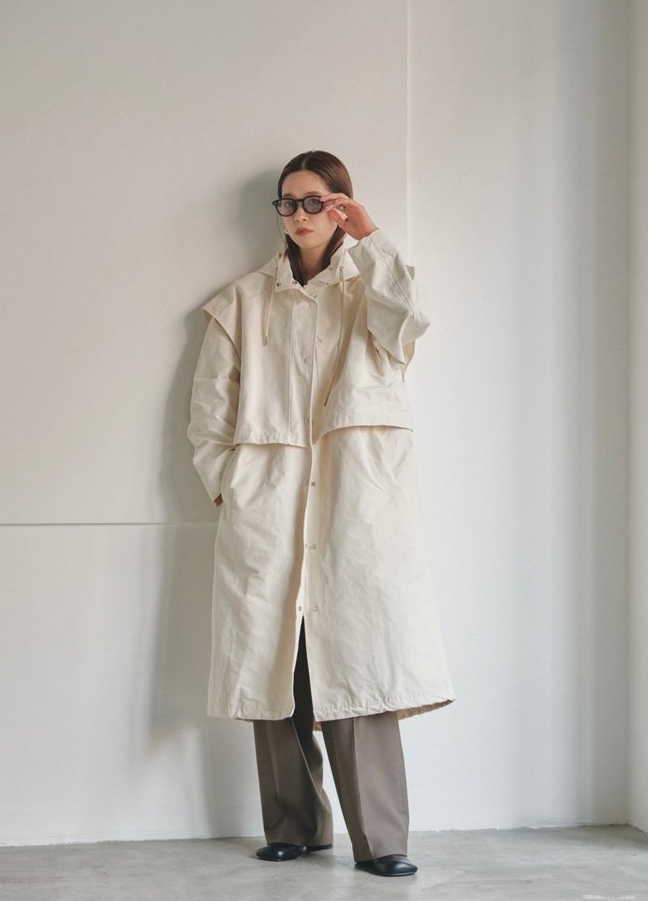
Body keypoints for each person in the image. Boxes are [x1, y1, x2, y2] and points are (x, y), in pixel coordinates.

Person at [187, 150, 455, 877]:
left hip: (355, 508)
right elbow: (208, 413)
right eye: (289, 202)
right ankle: (295, 826)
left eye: (317, 201)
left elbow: (413, 321)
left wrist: (371, 238)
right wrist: (230, 486)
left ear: (342, 205)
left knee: (358, 666)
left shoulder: (373, 289)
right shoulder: (243, 301)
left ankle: (382, 840)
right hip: (267, 504)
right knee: (276, 669)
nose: (301, 215)